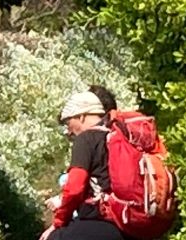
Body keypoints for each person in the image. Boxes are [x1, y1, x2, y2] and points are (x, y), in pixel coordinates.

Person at [41, 89, 125, 240]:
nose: (68, 131)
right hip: (126, 224)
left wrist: (57, 224)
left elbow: (74, 188)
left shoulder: (86, 140)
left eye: (68, 123)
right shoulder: (116, 137)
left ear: (81, 116)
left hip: (99, 222)